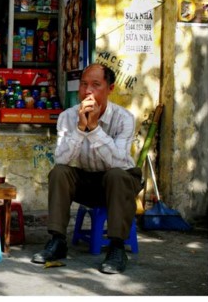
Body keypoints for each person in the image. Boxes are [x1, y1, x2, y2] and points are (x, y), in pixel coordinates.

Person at [31, 63, 142, 274]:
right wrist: (81, 129)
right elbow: (61, 159)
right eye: (84, 84)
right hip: (86, 180)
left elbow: (118, 161)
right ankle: (57, 241)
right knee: (59, 173)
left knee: (117, 175)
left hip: (119, 184)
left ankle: (116, 248)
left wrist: (95, 130)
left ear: (110, 89)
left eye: (96, 85)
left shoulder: (124, 118)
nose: (88, 91)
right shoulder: (67, 117)